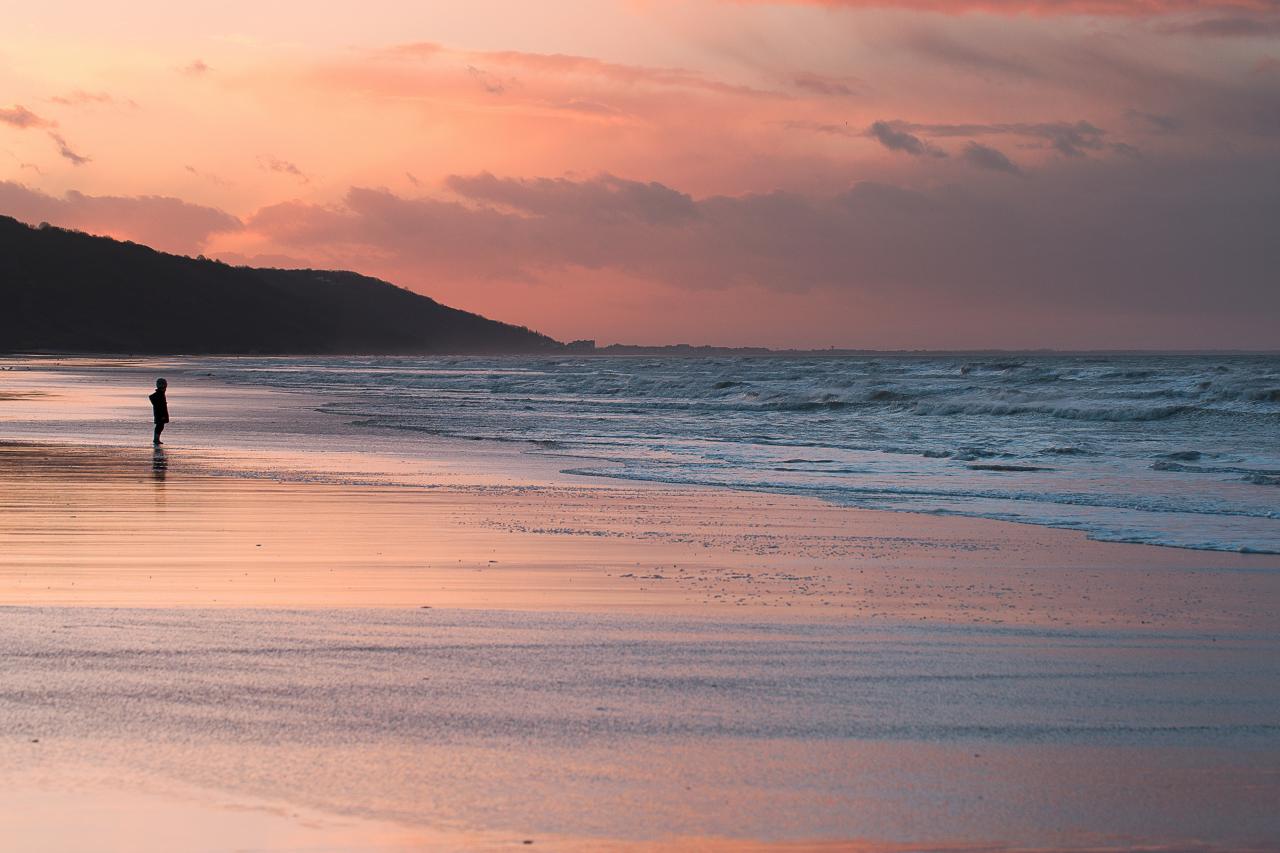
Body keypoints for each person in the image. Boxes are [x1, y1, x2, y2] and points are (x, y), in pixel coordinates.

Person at [149, 378, 170, 445]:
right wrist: (163, 416)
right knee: (160, 426)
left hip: (160, 413)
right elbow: (160, 406)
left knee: (160, 426)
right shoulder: (159, 395)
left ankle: (156, 439)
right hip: (160, 414)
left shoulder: (161, 394)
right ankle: (156, 439)